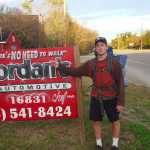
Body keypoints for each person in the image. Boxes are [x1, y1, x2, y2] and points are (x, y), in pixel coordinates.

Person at [57, 37, 125, 150]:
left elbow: (121, 84)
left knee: (115, 121)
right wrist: (60, 67)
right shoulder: (91, 64)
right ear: (95, 48)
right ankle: (99, 144)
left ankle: (115, 144)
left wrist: (121, 102)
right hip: (96, 96)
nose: (100, 47)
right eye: (98, 45)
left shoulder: (114, 64)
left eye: (102, 45)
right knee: (96, 121)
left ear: (106, 47)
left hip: (111, 96)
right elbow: (75, 71)